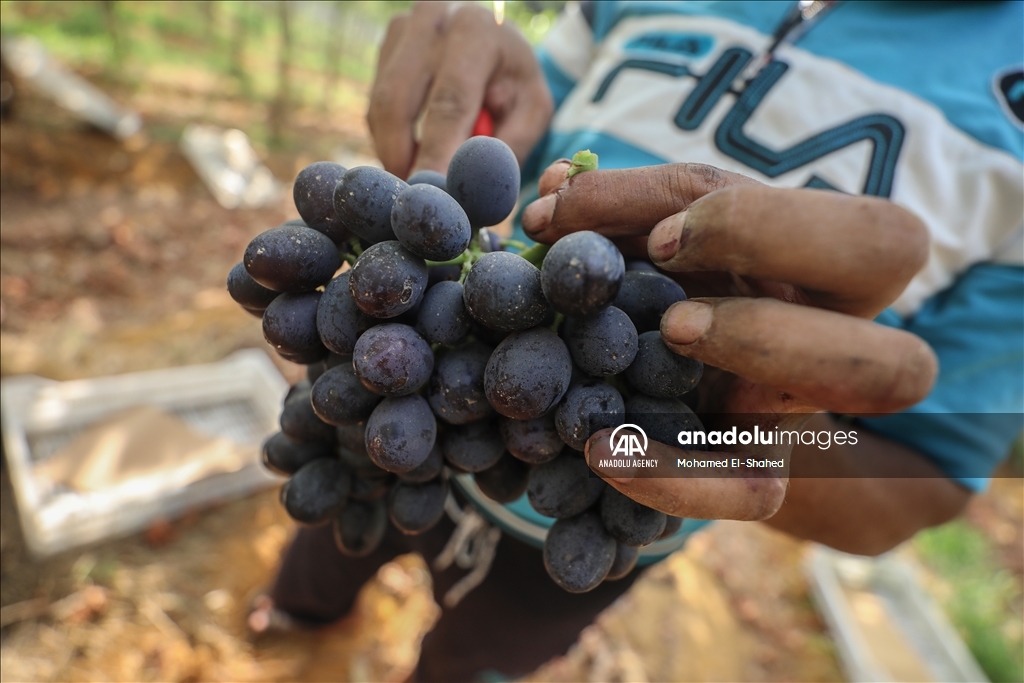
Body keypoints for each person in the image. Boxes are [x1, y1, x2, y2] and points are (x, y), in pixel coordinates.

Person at [254, 2, 1024, 680]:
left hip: (589, 503)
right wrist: (497, 93)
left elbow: (930, 478)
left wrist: (760, 438)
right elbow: (524, 137)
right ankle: (294, 620)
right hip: (410, 414)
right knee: (320, 555)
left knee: (473, 659)